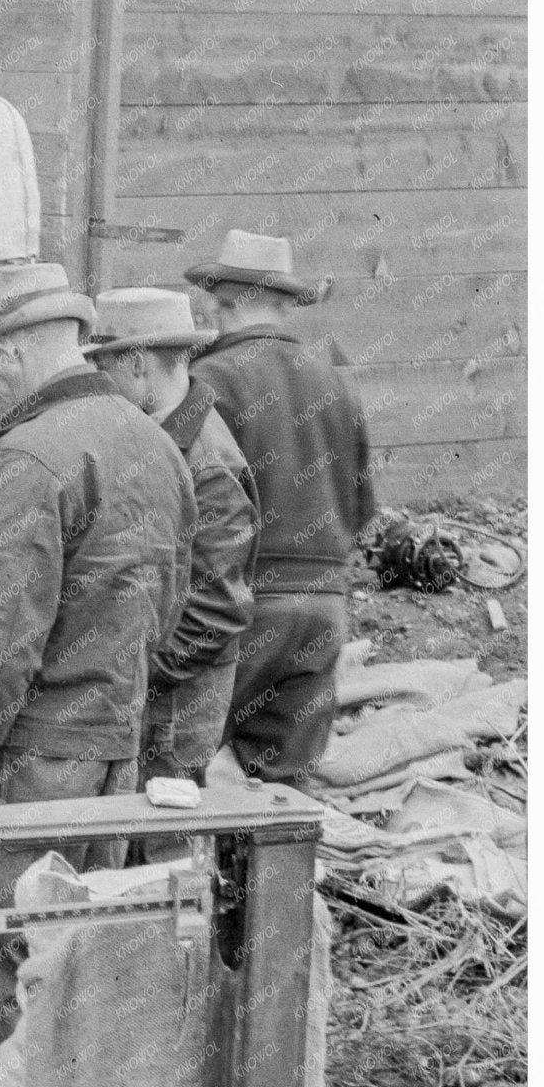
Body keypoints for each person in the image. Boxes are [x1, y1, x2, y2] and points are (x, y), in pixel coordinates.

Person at [0, 262, 196, 1087]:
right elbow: (175, 614)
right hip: (110, 759)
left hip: (24, 768)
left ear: (23, 346)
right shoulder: (153, 445)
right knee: (79, 971)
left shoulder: (31, 458)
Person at [185, 230, 376, 781]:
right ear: (287, 304)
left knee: (179, 774)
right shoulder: (335, 383)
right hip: (325, 609)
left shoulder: (207, 380)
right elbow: (362, 512)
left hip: (239, 609)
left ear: (223, 299)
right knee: (285, 794)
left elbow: (197, 513)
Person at [85, 287, 259, 783]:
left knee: (166, 842)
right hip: (154, 689)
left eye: (106, 368)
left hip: (176, 704)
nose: (102, 382)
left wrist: (132, 677)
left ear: (138, 364)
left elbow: (216, 609)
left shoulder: (206, 462)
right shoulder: (159, 439)